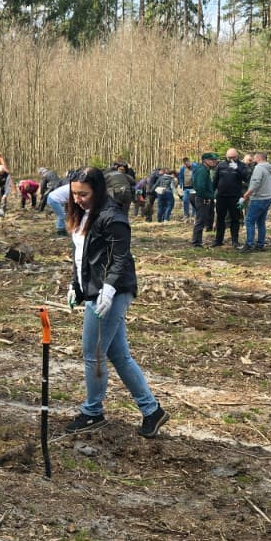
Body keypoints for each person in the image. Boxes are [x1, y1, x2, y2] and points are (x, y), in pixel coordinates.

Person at [61, 168, 167, 438]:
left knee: (93, 354)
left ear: (97, 190)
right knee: (118, 355)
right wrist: (76, 284)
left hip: (112, 292)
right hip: (94, 289)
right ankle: (152, 411)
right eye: (74, 193)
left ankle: (92, 412)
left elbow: (119, 258)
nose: (78, 198)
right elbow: (81, 254)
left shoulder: (113, 217)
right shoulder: (83, 214)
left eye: (83, 194)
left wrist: (107, 291)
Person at [212, 149, 247, 249]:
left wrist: (237, 169)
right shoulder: (221, 165)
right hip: (221, 196)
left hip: (235, 196)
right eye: (229, 158)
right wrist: (211, 194)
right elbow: (215, 180)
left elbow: (246, 177)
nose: (231, 160)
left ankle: (235, 241)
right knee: (220, 218)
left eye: (233, 157)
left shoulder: (241, 165)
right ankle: (218, 240)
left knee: (235, 218)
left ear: (237, 156)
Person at [243, 152, 271, 251]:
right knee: (261, 222)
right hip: (267, 198)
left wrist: (246, 195)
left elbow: (255, 183)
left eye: (254, 158)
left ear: (258, 158)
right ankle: (260, 244)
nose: (253, 160)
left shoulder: (259, 168)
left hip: (258, 198)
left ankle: (249, 245)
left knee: (249, 221)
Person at [190, 153, 217, 247]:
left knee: (201, 221)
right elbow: (200, 188)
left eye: (214, 160)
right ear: (205, 160)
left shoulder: (205, 170)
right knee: (200, 221)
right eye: (211, 160)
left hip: (203, 198)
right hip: (202, 199)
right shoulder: (202, 171)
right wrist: (211, 196)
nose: (214, 161)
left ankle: (198, 242)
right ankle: (196, 243)